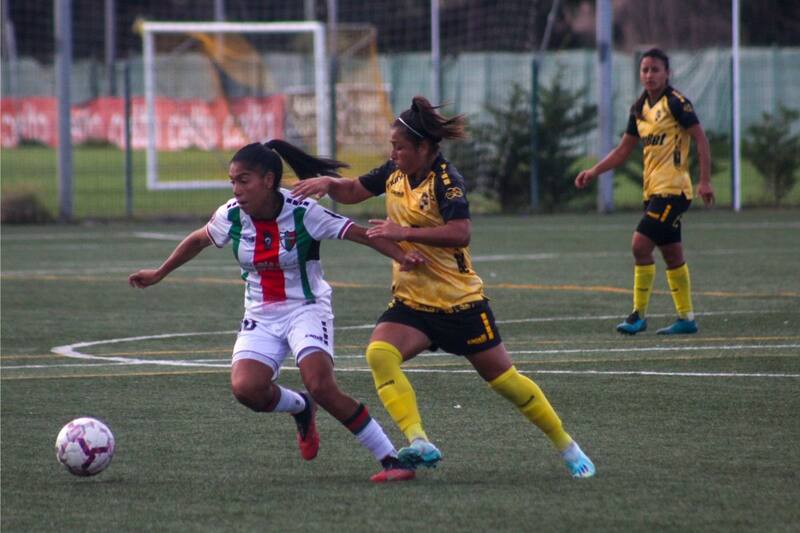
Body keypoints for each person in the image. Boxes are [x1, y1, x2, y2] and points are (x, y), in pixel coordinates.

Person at [291, 96, 595, 478]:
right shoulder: (394, 172)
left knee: (507, 383)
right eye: (392, 146)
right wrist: (328, 183)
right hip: (412, 303)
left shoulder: (447, 180)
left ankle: (567, 445)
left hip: (460, 305)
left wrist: (403, 232)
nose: (393, 153)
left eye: (399, 147)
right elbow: (353, 190)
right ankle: (419, 440)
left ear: (423, 147)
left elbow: (461, 232)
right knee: (380, 354)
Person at [128, 139, 426, 483]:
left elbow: (359, 234)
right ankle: (301, 407)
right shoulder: (231, 216)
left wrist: (401, 255)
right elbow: (198, 239)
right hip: (261, 314)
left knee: (321, 385)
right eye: (233, 182)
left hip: (306, 308)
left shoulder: (303, 211)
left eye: (244, 180)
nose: (236, 190)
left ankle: (392, 459)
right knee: (246, 389)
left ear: (268, 180)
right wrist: (159, 273)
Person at [575, 48, 715, 336]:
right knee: (672, 254)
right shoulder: (639, 109)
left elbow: (701, 140)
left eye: (655, 70)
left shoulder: (677, 104)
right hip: (654, 191)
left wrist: (705, 181)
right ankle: (686, 318)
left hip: (674, 191)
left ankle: (638, 315)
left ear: (667, 73)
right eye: (645, 70)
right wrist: (594, 171)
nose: (649, 75)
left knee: (640, 245)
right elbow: (623, 150)